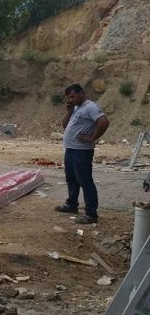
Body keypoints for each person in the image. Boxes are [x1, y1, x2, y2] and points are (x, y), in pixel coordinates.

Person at [54, 84, 110, 224]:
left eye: (73, 96)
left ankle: (91, 214)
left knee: (85, 181)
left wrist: (92, 137)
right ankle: (72, 205)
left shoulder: (90, 107)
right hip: (71, 149)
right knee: (71, 179)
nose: (71, 99)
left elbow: (103, 122)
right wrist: (69, 111)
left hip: (82, 151)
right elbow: (65, 125)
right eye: (69, 98)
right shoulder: (76, 107)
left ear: (81, 93)